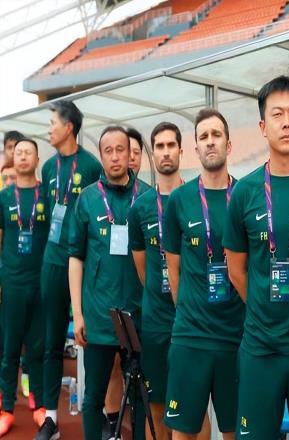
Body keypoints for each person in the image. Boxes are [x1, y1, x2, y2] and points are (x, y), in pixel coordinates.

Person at [223, 76, 289, 440]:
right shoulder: (244, 192)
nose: (286, 122)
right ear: (263, 126)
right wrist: (263, 309)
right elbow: (236, 269)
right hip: (260, 349)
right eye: (277, 114)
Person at [164, 109, 245, 440]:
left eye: (216, 135)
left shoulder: (246, 195)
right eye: (203, 137)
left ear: (229, 144)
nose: (210, 142)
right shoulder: (178, 201)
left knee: (235, 431)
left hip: (237, 338)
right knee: (184, 431)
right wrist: (190, 313)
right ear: (195, 148)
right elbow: (173, 270)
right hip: (191, 337)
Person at [68, 125, 149, 439]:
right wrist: (78, 313)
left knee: (141, 398)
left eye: (120, 149)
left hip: (138, 316)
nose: (115, 157)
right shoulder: (88, 199)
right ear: (101, 156)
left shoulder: (147, 197)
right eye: (108, 151)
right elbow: (76, 258)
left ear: (131, 153)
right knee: (93, 398)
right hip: (99, 317)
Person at [36, 100, 102, 440]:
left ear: (69, 127)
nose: (49, 129)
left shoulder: (91, 166)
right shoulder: (48, 168)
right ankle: (50, 418)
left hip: (82, 266)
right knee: (51, 342)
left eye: (53, 123)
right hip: (52, 263)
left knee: (89, 339)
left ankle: (96, 411)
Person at [129, 122, 184, 440]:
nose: (165, 152)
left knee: (189, 408)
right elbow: (142, 269)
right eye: (159, 146)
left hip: (190, 322)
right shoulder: (141, 208)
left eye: (170, 145)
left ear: (181, 150)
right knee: (157, 405)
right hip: (155, 322)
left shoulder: (194, 199)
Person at [0, 138, 49, 436]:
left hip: (41, 282)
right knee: (9, 348)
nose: (22, 157)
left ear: (36, 159)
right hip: (13, 283)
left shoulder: (47, 195)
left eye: (28, 152)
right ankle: (6, 408)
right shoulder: (4, 196)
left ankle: (39, 403)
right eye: (18, 153)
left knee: (38, 348)